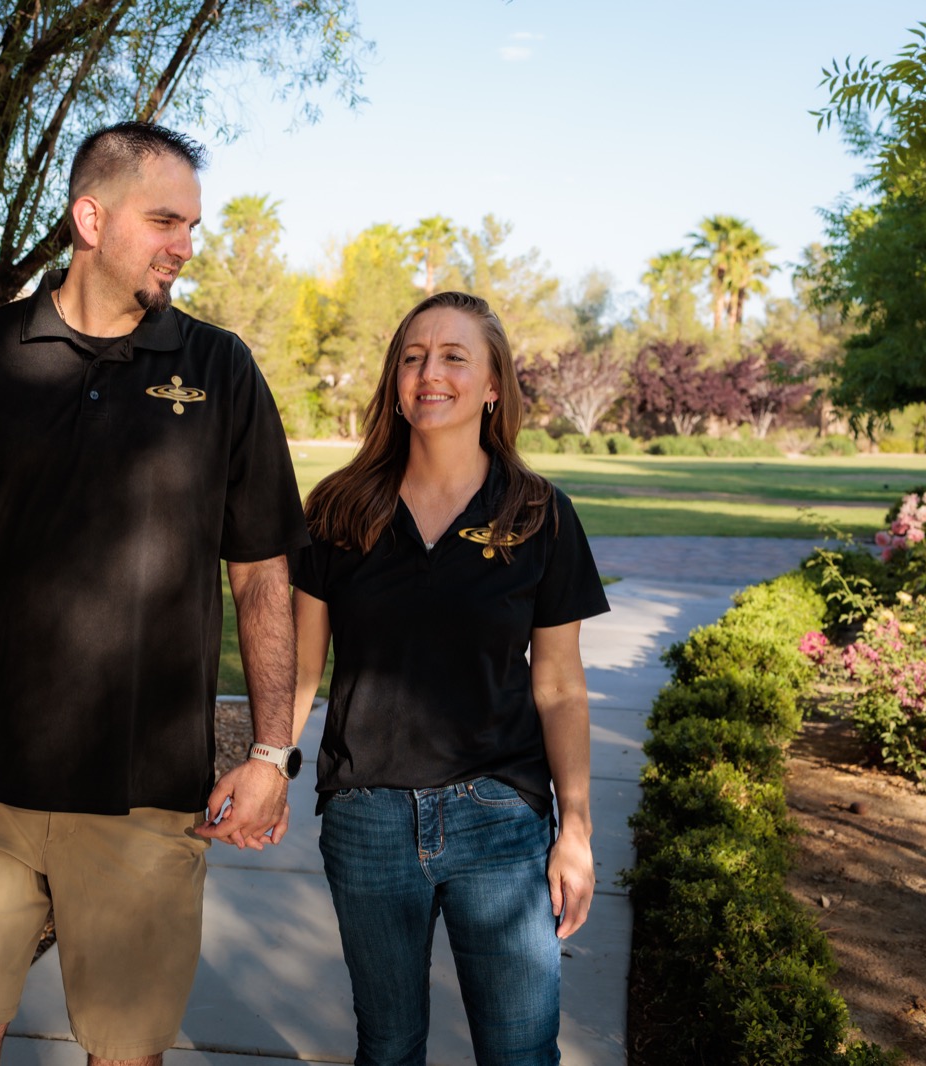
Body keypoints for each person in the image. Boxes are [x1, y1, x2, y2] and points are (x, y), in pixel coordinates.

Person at [0, 121, 309, 1066]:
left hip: (145, 795)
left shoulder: (219, 369)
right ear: (90, 217)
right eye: (165, 220)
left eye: (192, 223)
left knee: (126, 1050)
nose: (185, 244)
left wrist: (272, 750)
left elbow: (264, 570)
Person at [290, 291, 609, 1066]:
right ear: (395, 381)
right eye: (412, 356)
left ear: (494, 385)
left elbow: (560, 687)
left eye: (454, 357)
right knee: (390, 1047)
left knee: (521, 1050)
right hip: (368, 817)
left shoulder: (541, 515)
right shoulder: (338, 509)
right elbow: (300, 668)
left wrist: (576, 830)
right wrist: (271, 762)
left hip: (499, 816)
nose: (429, 373)